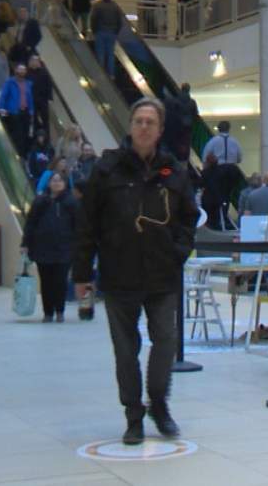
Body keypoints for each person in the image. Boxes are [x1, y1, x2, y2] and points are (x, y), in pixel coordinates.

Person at [74, 97, 199, 445]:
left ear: (159, 131)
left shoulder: (174, 172)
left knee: (166, 341)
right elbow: (87, 223)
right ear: (130, 127)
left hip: (162, 274)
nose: (144, 127)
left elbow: (189, 218)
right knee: (125, 350)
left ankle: (158, 402)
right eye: (138, 121)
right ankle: (133, 415)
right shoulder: (106, 169)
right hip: (119, 275)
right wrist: (82, 273)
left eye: (150, 122)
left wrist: (179, 253)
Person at [22, 172, 79, 322]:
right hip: (43, 248)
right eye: (54, 180)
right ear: (48, 183)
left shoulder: (71, 202)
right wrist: (25, 243)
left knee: (60, 281)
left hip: (64, 248)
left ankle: (60, 310)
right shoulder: (40, 201)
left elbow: (78, 225)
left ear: (65, 183)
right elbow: (30, 224)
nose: (56, 183)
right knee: (46, 281)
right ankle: (48, 312)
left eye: (60, 180)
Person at [0, 63, 34, 155]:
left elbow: (29, 98)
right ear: (16, 71)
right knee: (18, 134)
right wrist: (1, 107)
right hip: (14, 111)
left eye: (24, 70)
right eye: (20, 70)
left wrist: (31, 110)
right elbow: (4, 96)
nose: (22, 72)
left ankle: (24, 153)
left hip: (25, 111)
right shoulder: (10, 82)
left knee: (25, 133)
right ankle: (18, 153)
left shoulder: (28, 83)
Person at [90, 0, 124, 76]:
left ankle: (100, 73)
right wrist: (117, 31)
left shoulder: (98, 6)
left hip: (100, 31)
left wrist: (93, 30)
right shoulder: (115, 7)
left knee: (100, 53)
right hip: (112, 32)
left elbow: (93, 19)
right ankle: (111, 73)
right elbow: (120, 20)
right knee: (110, 53)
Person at [27, 55, 53, 135]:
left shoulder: (44, 72)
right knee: (33, 119)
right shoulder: (28, 73)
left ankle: (46, 136)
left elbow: (49, 84)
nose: (34, 63)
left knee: (45, 119)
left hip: (42, 99)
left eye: (36, 61)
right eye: (33, 61)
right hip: (32, 100)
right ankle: (36, 135)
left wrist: (49, 98)